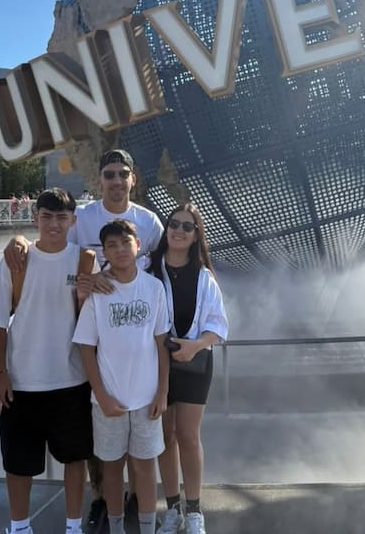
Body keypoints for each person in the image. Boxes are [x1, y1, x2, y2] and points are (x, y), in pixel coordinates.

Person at [3, 148, 164, 532]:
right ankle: (102, 500)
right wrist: (18, 238)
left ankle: (140, 504)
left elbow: (170, 260)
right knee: (99, 437)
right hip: (93, 332)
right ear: (99, 179)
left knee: (141, 438)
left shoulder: (149, 222)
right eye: (109, 174)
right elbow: (54, 243)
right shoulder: (85, 218)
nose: (116, 180)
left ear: (132, 178)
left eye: (122, 173)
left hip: (137, 335)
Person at [0, 188, 97, 534]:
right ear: (36, 219)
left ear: (73, 221)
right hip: (21, 381)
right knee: (18, 462)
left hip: (71, 379)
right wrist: (1, 372)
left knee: (75, 457)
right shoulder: (17, 260)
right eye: (46, 217)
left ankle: (73, 526)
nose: (53, 224)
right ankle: (20, 527)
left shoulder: (84, 261)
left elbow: (96, 316)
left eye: (61, 217)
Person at [73, 219, 170, 534]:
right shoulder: (99, 292)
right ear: (104, 252)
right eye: (111, 245)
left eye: (125, 242)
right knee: (112, 467)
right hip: (108, 401)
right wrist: (101, 395)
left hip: (146, 399)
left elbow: (161, 343)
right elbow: (86, 347)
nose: (120, 250)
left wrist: (162, 392)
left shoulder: (153, 288)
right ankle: (116, 528)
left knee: (145, 467)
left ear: (138, 245)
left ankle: (146, 528)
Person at [148, 204, 228, 534]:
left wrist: (194, 346)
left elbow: (218, 327)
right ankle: (173, 510)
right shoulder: (148, 269)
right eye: (174, 224)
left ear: (196, 236)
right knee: (164, 436)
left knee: (188, 436)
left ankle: (194, 510)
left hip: (194, 363)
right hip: (157, 364)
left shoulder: (204, 277)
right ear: (166, 228)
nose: (179, 230)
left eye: (187, 226)